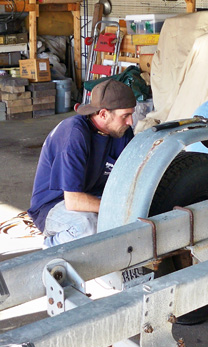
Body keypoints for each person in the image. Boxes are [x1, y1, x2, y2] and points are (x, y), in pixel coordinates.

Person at [28, 79, 136, 247]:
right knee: (87, 225)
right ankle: (49, 250)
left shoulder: (122, 132)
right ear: (103, 114)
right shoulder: (74, 135)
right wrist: (117, 208)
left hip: (94, 195)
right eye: (125, 116)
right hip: (55, 205)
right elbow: (73, 201)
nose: (130, 122)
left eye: (131, 115)